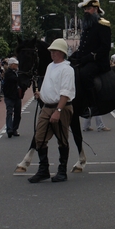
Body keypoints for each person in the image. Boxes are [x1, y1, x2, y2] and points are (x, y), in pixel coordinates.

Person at [29, 39, 75, 184]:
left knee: (62, 138)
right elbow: (51, 86)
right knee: (39, 138)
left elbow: (65, 92)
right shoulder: (50, 66)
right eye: (51, 51)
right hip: (47, 106)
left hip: (60, 107)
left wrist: (59, 110)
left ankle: (62, 170)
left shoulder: (67, 69)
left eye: (55, 51)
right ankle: (44, 170)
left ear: (62, 53)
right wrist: (41, 95)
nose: (52, 53)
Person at [69, 0, 111, 118]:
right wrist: (73, 57)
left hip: (98, 61)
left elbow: (105, 47)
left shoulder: (103, 24)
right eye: (85, 9)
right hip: (86, 59)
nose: (86, 11)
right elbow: (84, 47)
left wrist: (87, 58)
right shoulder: (88, 26)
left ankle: (93, 105)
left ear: (96, 9)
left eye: (89, 8)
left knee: (85, 74)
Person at [3, 58, 22, 137]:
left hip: (17, 96)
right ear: (11, 65)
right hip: (9, 96)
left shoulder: (16, 72)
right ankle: (10, 129)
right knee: (9, 112)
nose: (17, 66)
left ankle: (14, 129)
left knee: (18, 113)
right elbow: (15, 80)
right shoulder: (8, 73)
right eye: (15, 65)